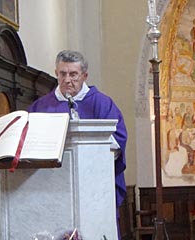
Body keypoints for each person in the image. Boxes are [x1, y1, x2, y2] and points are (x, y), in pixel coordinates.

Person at [28, 50, 128, 206]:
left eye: (73, 74)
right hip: (52, 183)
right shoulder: (41, 107)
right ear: (56, 73)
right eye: (62, 74)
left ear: (84, 76)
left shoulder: (102, 104)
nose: (67, 80)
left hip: (94, 181)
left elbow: (118, 139)